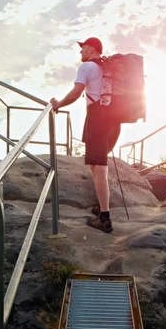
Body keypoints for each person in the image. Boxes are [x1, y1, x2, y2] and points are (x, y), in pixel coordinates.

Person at [50, 37, 121, 233]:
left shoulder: (87, 67)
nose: (80, 52)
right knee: (95, 164)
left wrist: (58, 105)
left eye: (82, 49)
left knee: (99, 168)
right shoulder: (107, 68)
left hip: (98, 119)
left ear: (90, 49)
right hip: (113, 120)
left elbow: (75, 94)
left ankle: (105, 218)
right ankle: (102, 203)